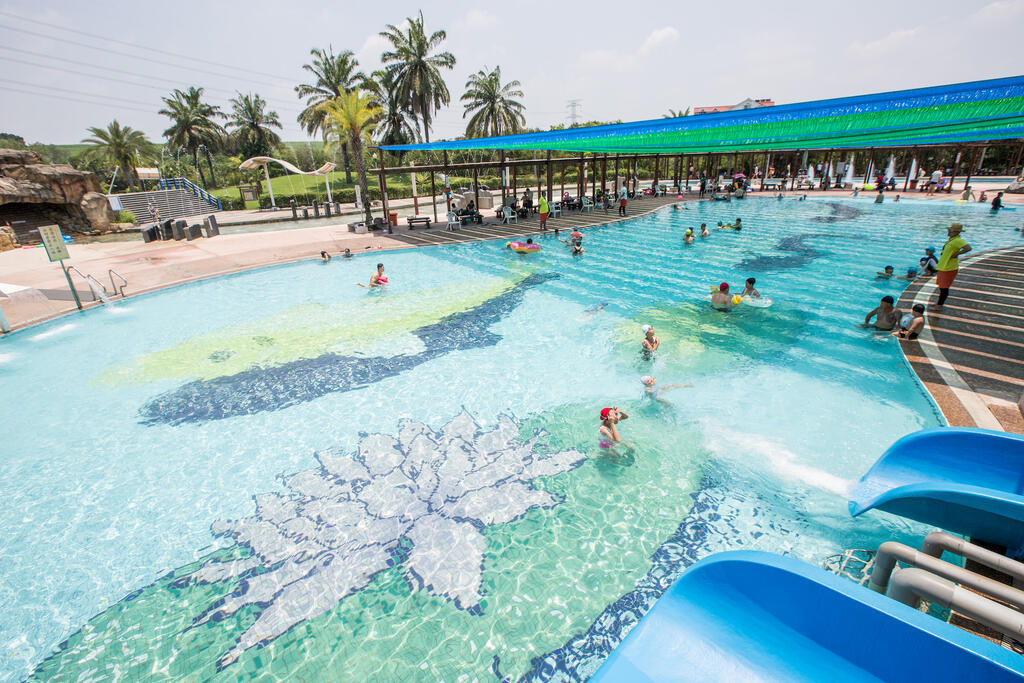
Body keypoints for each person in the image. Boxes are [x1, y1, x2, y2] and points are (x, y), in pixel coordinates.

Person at [934, 223, 970, 310]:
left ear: (956, 232)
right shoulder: (952, 239)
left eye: (950, 231)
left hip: (948, 268)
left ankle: (939, 306)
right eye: (948, 230)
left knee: (944, 288)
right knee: (941, 287)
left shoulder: (958, 240)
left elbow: (968, 248)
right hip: (943, 266)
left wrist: (957, 254)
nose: (948, 232)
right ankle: (938, 304)